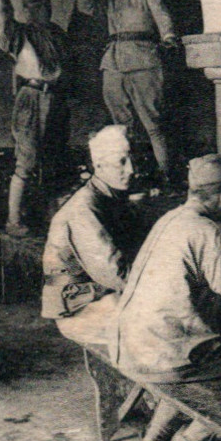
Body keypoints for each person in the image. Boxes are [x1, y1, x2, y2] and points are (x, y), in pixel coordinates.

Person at [112, 155, 221, 441]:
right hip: (162, 353)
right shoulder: (204, 229)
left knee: (193, 362)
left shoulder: (171, 219)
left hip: (131, 346)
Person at [76, 0, 178, 180]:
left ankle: (166, 175)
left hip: (144, 60)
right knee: (120, 125)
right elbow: (85, 7)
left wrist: (169, 38)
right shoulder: (111, 0)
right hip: (113, 62)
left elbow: (163, 18)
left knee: (153, 122)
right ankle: (127, 175)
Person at [0, 0, 70, 236]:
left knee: (54, 158)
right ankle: (13, 219)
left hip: (55, 98)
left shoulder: (57, 34)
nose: (39, 11)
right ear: (27, 10)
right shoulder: (20, 34)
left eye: (43, 6)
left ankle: (53, 217)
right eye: (33, 7)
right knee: (27, 158)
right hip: (31, 98)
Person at [44, 125, 145, 346]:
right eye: (121, 161)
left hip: (103, 296)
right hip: (83, 310)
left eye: (133, 160)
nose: (131, 169)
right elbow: (116, 275)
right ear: (98, 163)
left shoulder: (111, 197)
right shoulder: (85, 208)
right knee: (165, 317)